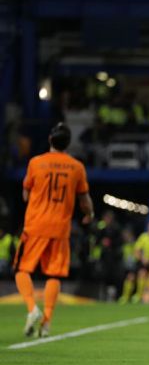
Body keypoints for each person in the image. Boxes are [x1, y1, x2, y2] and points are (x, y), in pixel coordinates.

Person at [13, 123, 94, 337]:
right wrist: (89, 214)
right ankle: (46, 323)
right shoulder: (76, 167)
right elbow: (84, 199)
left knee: (22, 269)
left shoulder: (36, 163)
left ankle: (32, 309)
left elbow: (25, 194)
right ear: (68, 144)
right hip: (60, 228)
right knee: (54, 275)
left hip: (36, 225)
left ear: (50, 140)